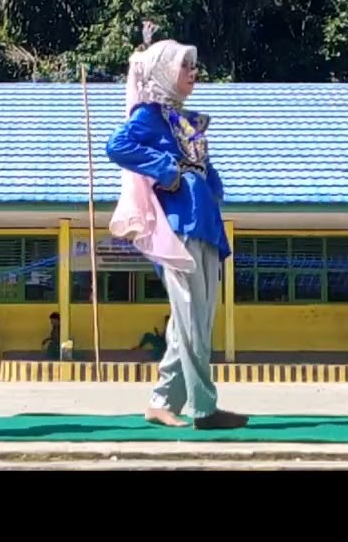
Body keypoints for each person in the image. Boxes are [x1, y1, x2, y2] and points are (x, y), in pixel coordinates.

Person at [106, 24, 247, 430]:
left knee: (198, 320)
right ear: (164, 71)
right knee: (188, 318)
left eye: (194, 66)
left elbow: (203, 166)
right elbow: (117, 145)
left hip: (204, 221)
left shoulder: (183, 121)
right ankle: (205, 408)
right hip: (178, 224)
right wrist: (167, 171)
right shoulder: (149, 115)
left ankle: (162, 399)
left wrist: (207, 177)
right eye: (185, 66)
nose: (193, 73)